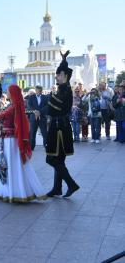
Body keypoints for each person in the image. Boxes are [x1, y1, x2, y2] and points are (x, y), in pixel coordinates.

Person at [0, 84, 46, 203]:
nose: (7, 93)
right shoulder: (14, 105)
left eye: (8, 91)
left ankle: (14, 192)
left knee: (10, 165)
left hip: (10, 141)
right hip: (7, 139)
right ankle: (12, 191)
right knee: (9, 165)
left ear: (13, 93)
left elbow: (2, 115)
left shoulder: (13, 106)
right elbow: (5, 122)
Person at [45, 50, 80, 198]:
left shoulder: (65, 89)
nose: (57, 77)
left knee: (52, 159)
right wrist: (64, 59)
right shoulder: (61, 89)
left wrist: (49, 100)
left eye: (59, 75)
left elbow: (53, 107)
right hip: (58, 126)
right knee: (58, 159)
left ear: (65, 76)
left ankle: (71, 184)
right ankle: (57, 188)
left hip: (60, 127)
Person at [27, 85, 49, 150]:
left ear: (42, 91)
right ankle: (31, 147)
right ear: (35, 90)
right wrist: (35, 111)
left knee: (44, 132)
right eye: (37, 90)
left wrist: (39, 112)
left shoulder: (45, 97)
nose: (38, 91)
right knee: (32, 133)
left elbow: (47, 106)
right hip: (33, 117)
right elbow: (29, 106)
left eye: (40, 90)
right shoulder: (31, 97)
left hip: (42, 117)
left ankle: (46, 146)